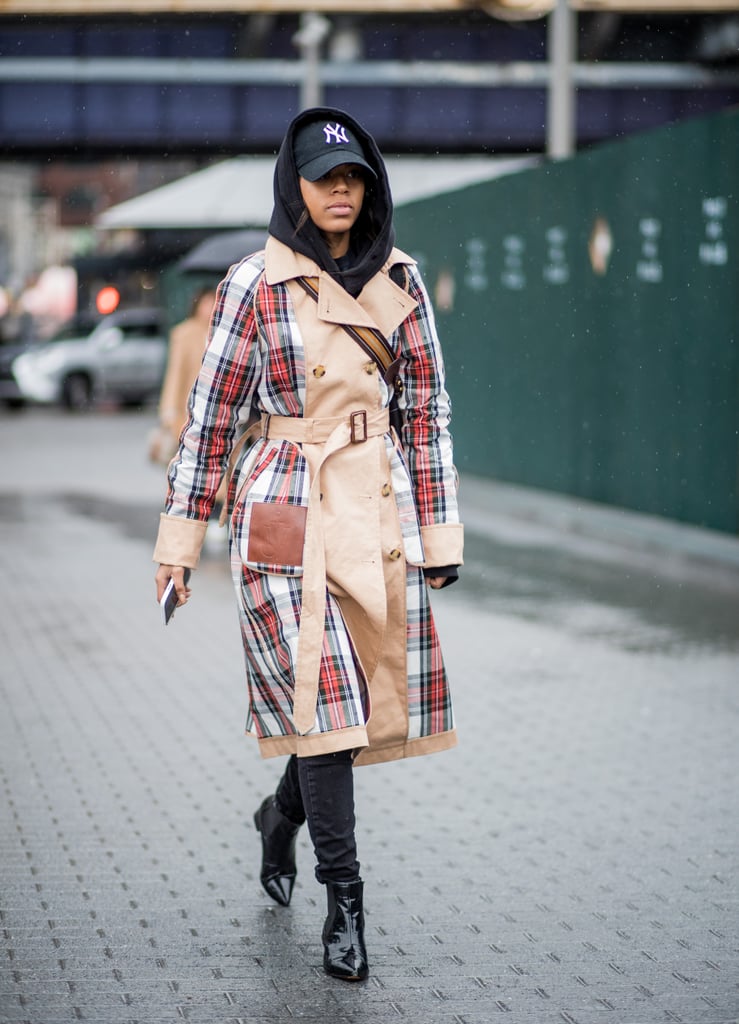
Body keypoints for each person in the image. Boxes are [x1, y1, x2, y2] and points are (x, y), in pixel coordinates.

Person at [153, 107, 464, 982]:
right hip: (283, 509)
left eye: (353, 176)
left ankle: (278, 817)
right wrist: (179, 542)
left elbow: (426, 414)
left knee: (343, 712)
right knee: (323, 710)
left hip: (374, 507)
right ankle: (346, 901)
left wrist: (439, 529)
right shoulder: (253, 283)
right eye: (325, 177)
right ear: (293, 186)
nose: (340, 190)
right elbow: (211, 422)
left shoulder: (401, 277)